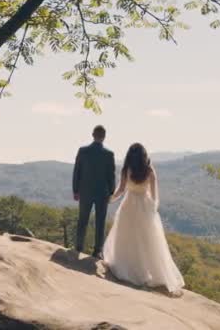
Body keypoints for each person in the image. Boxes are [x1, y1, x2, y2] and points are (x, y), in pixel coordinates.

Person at [103, 143, 185, 294]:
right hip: (145, 207)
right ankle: (149, 272)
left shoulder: (127, 170)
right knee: (147, 241)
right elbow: (154, 195)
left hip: (129, 206)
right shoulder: (149, 171)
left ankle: (129, 268)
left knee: (127, 238)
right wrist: (152, 210)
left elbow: (120, 191)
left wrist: (109, 199)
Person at [72, 125, 116, 259]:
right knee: (100, 222)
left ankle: (78, 247)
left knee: (82, 220)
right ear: (104, 136)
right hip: (102, 193)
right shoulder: (109, 154)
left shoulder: (83, 151)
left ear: (93, 135)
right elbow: (111, 176)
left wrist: (76, 190)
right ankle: (97, 250)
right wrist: (111, 192)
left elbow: (77, 172)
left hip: (85, 191)